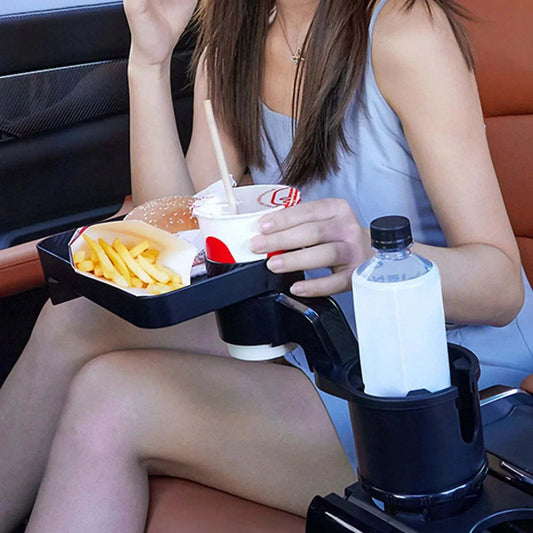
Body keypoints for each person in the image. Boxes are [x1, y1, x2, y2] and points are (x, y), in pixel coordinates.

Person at [1, 0, 532, 530]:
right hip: (314, 330)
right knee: (71, 319)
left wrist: (372, 259)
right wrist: (149, 64)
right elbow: (172, 237)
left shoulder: (407, 31)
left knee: (111, 399)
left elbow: (502, 286)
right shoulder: (236, 41)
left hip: (433, 381)